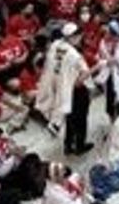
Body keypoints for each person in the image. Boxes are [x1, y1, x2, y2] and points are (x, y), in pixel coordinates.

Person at [37, 23, 94, 155]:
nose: (80, 38)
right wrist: (99, 66)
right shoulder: (74, 55)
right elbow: (83, 77)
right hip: (75, 90)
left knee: (69, 117)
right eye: (78, 36)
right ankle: (79, 146)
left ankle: (67, 145)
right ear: (72, 37)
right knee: (80, 119)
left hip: (60, 87)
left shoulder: (55, 45)